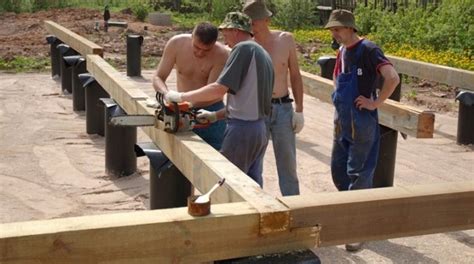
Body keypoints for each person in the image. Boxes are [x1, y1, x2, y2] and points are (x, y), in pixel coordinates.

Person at [164, 12, 274, 187]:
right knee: (251, 184)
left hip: (242, 131)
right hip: (259, 129)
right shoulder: (261, 53)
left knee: (227, 185)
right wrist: (215, 115)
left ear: (235, 30)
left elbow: (218, 89)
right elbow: (247, 101)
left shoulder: (243, 49)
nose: (224, 39)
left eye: (226, 33)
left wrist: (181, 97)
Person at [325, 9, 400, 251]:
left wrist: (375, 103)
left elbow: (392, 77)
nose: (334, 33)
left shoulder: (368, 49)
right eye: (332, 30)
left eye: (337, 29)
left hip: (362, 121)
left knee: (359, 173)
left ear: (350, 28)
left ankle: (358, 228)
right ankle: (352, 214)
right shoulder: (341, 52)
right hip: (343, 121)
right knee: (339, 171)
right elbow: (337, 79)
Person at [243, 0, 304, 196]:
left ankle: (293, 206)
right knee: (254, 164)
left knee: (287, 164)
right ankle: (256, 203)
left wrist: (300, 111)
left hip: (282, 109)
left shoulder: (285, 40)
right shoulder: (246, 44)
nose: (252, 26)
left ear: (266, 20)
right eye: (248, 22)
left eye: (255, 22)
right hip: (256, 110)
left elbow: (295, 75)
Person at [152, 22, 229, 150]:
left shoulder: (221, 55)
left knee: (215, 156)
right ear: (192, 36)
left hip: (210, 111)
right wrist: (167, 95)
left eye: (206, 50)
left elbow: (212, 92)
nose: (199, 53)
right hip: (181, 109)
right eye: (196, 47)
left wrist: (183, 101)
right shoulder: (176, 44)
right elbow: (158, 77)